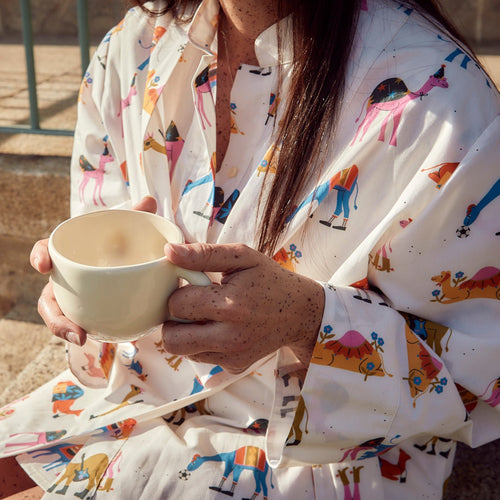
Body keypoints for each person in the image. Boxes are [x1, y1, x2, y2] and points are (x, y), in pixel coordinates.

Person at [1, 0, 499, 498]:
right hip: (124, 398)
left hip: (317, 460)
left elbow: (483, 381)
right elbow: (98, 216)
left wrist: (309, 323)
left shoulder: (442, 101)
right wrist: (76, 292)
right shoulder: (130, 48)